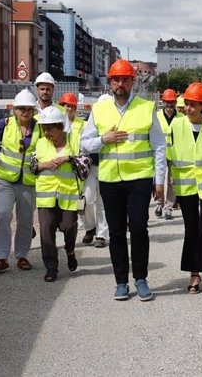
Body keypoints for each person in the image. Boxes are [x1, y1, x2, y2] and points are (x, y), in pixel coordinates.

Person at [80, 59, 166, 301]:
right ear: (110, 83)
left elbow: (159, 146)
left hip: (139, 178)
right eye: (116, 80)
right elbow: (83, 144)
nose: (120, 84)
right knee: (116, 233)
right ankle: (121, 281)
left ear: (132, 82)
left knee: (138, 227)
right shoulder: (99, 109)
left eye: (125, 79)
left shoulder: (146, 108)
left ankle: (140, 278)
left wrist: (159, 180)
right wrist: (103, 140)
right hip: (110, 180)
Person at [168, 82, 202, 300]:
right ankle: (194, 273)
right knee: (191, 227)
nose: (188, 108)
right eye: (187, 104)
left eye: (193, 105)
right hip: (185, 184)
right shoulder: (176, 125)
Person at [0, 89, 40, 274]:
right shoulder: (5, 124)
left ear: (34, 110)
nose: (25, 112)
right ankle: (1, 257)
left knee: (25, 220)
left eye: (29, 109)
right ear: (14, 109)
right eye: (21, 108)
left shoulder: (39, 127)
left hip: (28, 182)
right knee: (2, 215)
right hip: (6, 180)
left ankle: (22, 256)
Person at [30, 106, 81, 282]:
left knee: (69, 227)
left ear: (60, 127)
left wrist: (68, 159)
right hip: (46, 196)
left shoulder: (74, 141)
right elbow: (32, 166)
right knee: (46, 231)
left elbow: (86, 163)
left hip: (68, 195)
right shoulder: (41, 143)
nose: (46, 132)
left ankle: (70, 251)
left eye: (50, 128)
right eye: (44, 128)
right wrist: (43, 165)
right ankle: (51, 267)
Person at [59, 92, 108, 248]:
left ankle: (101, 235)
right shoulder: (90, 124)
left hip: (108, 167)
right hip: (90, 167)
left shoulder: (115, 123)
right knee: (85, 200)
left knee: (103, 203)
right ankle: (90, 228)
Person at [156, 89, 183, 220]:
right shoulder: (157, 117)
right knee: (159, 179)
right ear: (163, 102)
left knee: (172, 182)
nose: (169, 105)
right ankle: (159, 204)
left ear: (175, 102)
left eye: (171, 102)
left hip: (175, 154)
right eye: (167, 102)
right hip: (160, 153)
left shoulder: (182, 118)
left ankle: (168, 208)